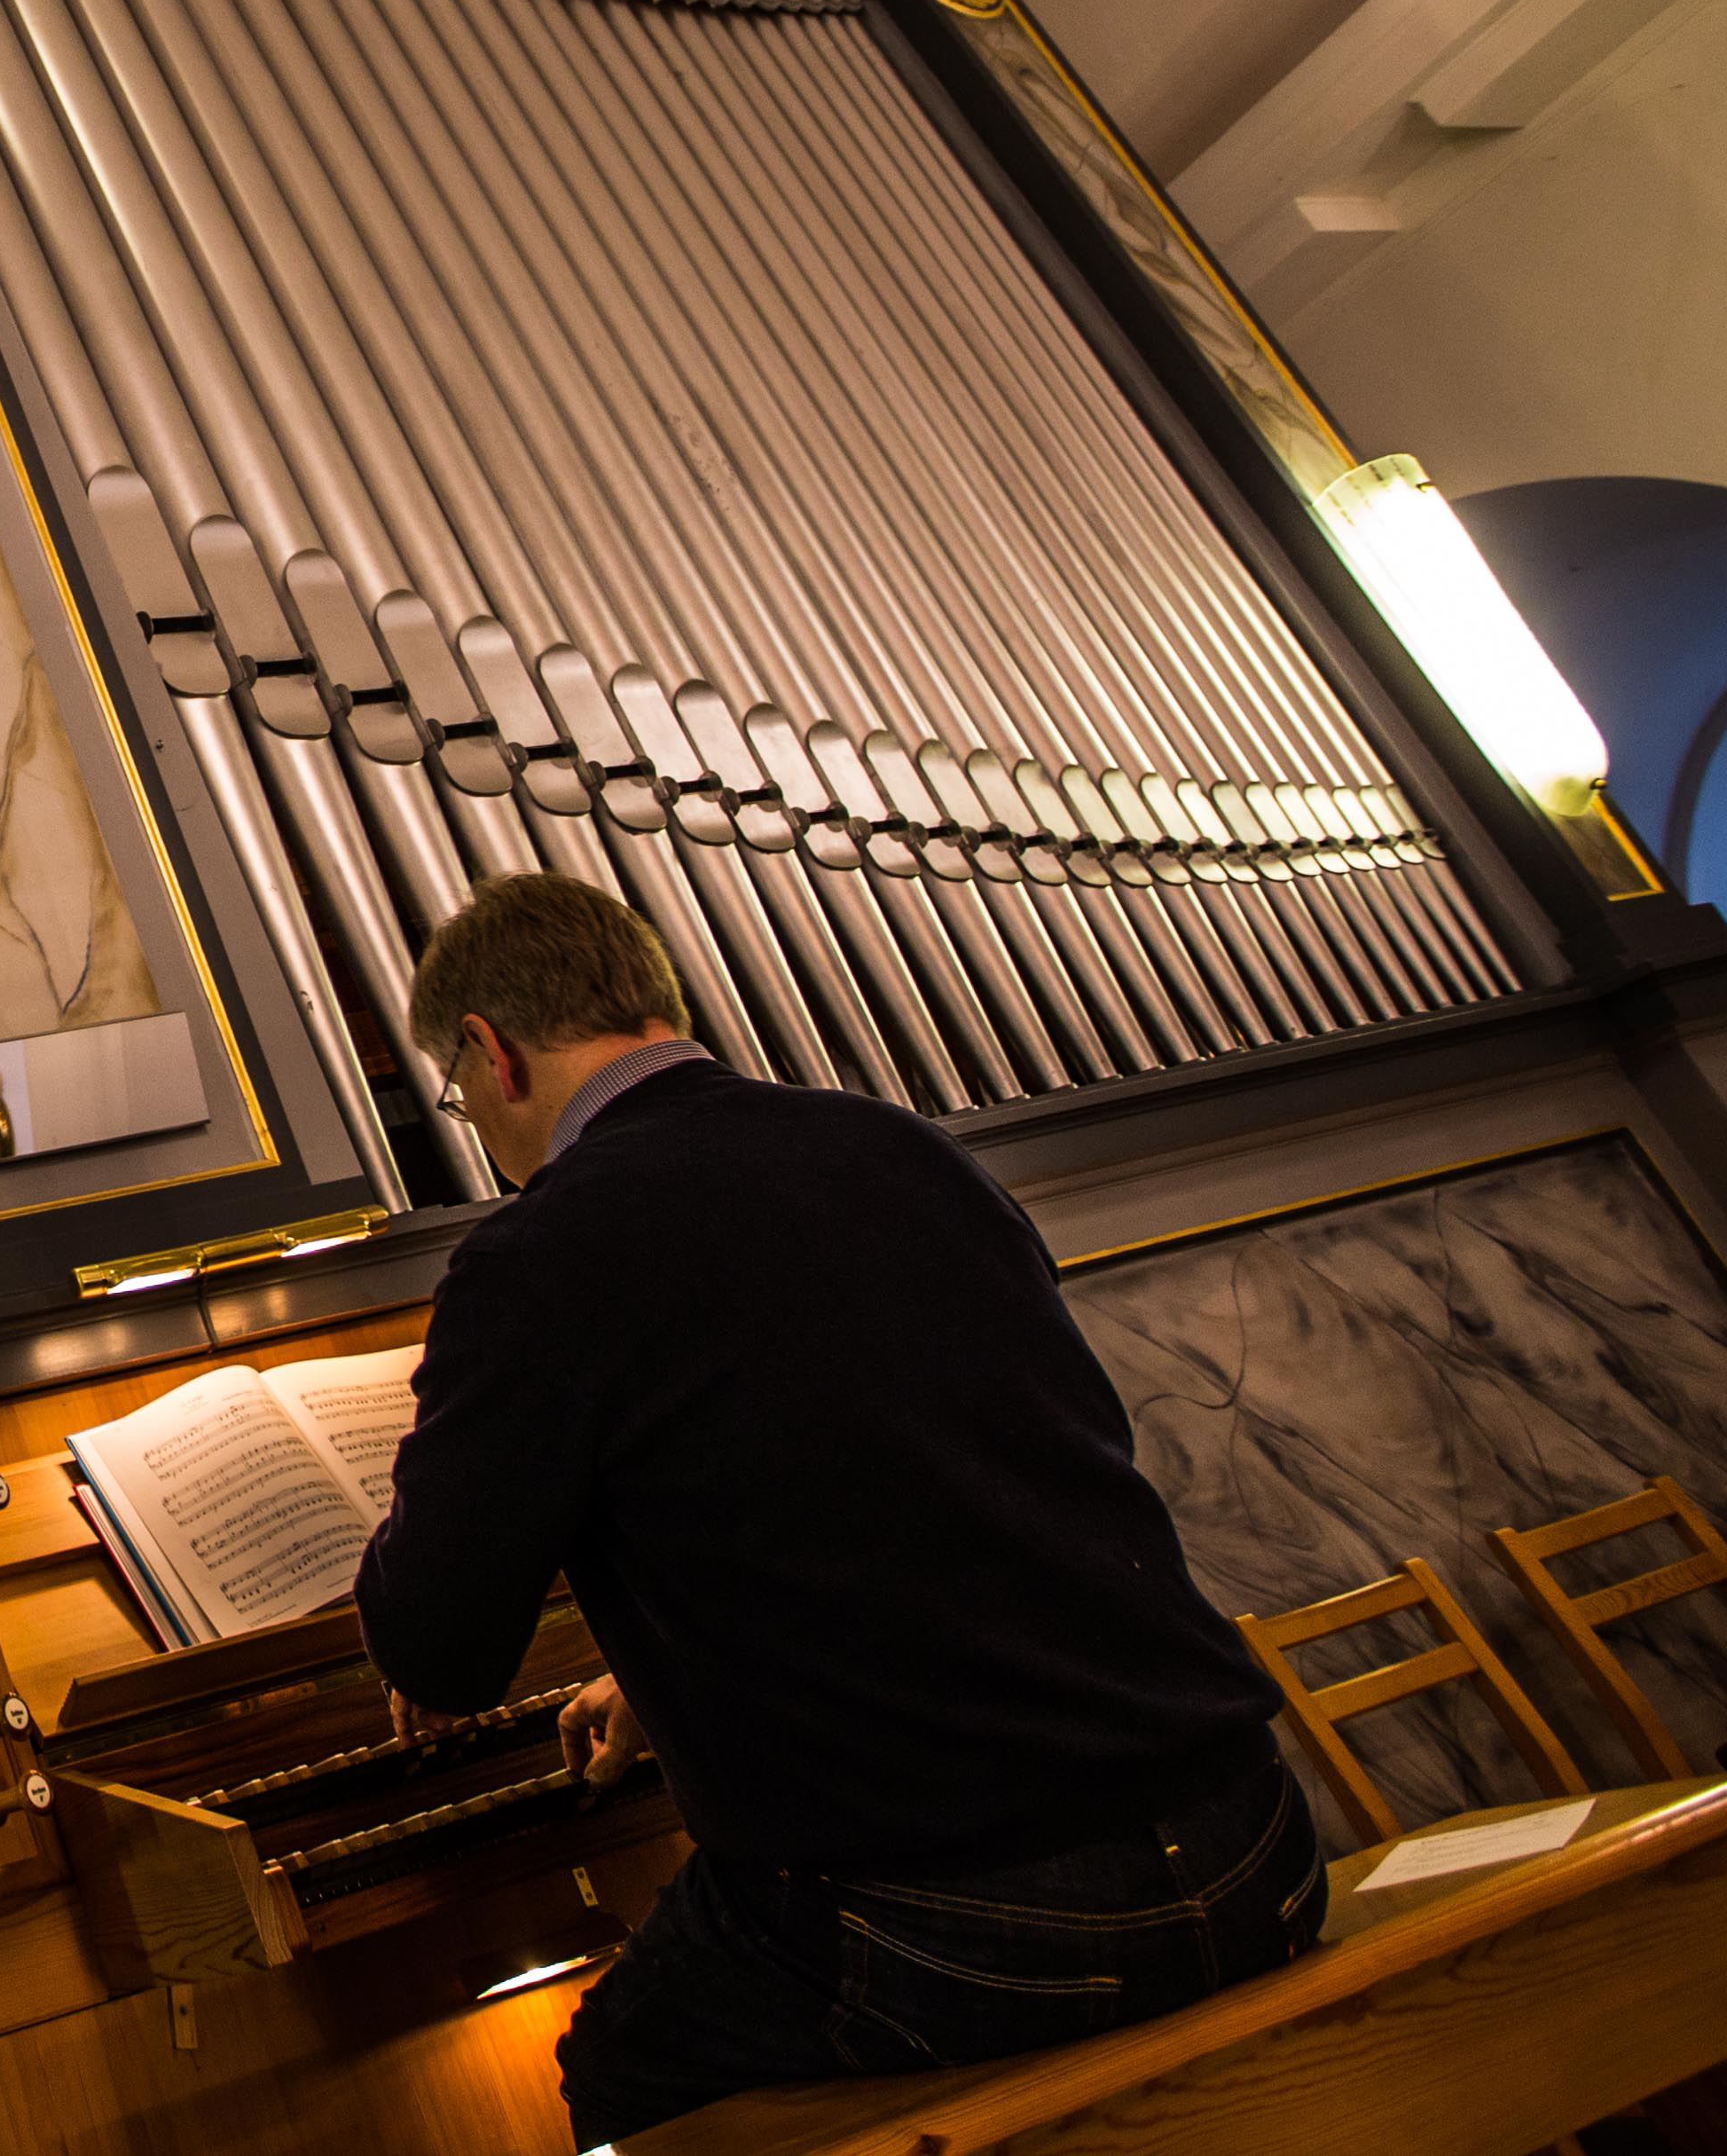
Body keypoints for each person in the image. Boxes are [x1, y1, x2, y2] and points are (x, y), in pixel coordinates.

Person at [351, 874, 1317, 2145]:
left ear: (492, 1051)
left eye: (457, 1090)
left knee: (621, 2072)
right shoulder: (907, 1148)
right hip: (1252, 1838)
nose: (474, 1120)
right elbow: (943, 1486)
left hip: (974, 1928)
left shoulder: (540, 1253)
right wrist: (672, 1668)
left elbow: (440, 1651)